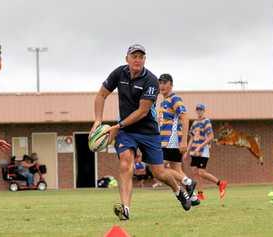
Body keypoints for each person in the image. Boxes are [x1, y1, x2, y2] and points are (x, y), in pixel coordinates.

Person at [90, 43, 196, 220]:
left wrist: (116, 127)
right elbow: (101, 95)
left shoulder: (151, 80)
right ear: (127, 59)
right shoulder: (119, 73)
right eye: (134, 56)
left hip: (148, 131)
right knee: (125, 163)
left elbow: (142, 111)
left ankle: (179, 190)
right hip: (127, 132)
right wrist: (98, 121)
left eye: (141, 57)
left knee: (159, 173)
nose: (137, 60)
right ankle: (125, 209)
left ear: (144, 60)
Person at [158, 73, 199, 205]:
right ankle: (193, 198)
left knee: (160, 168)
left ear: (171, 85)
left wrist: (184, 141)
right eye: (160, 83)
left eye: (165, 83)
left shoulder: (175, 98)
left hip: (171, 140)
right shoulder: (163, 102)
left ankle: (188, 183)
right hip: (165, 140)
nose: (162, 85)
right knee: (177, 170)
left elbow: (185, 117)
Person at [186, 104, 227, 200]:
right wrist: (187, 151)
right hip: (194, 151)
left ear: (203, 111)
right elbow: (191, 137)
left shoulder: (206, 121)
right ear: (196, 111)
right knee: (195, 172)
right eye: (198, 110)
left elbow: (211, 137)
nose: (199, 111)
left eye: (201, 110)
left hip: (203, 150)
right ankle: (200, 194)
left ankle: (220, 183)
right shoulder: (195, 123)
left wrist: (200, 146)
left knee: (201, 172)